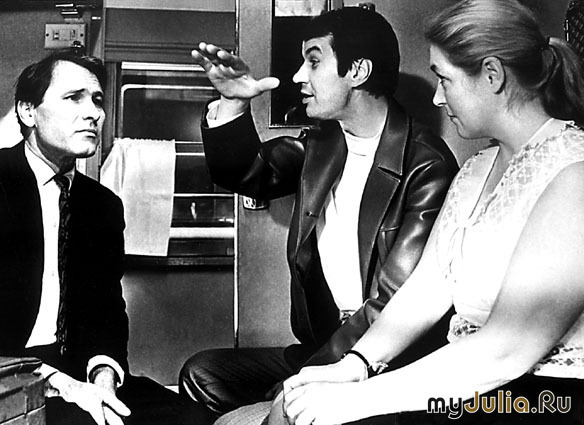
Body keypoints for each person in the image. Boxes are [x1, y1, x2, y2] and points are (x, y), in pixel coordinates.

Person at [266, 0, 584, 424]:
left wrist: (356, 399)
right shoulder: (476, 169)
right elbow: (427, 288)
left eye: (444, 79)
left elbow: (509, 349)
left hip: (546, 401)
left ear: (492, 75)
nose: (436, 96)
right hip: (470, 390)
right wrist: (354, 365)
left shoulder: (574, 172)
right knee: (289, 410)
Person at [179, 6, 459, 424]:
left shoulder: (426, 164)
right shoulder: (323, 144)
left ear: (358, 71)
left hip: (384, 357)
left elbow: (394, 301)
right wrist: (232, 103)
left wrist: (307, 380)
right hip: (321, 344)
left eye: (313, 61)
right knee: (203, 374)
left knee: (279, 406)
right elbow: (248, 173)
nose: (298, 76)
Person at [0, 48, 214, 425]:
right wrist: (58, 383)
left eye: (97, 100)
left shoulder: (102, 205)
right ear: (28, 111)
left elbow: (107, 311)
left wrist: (104, 377)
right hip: (10, 373)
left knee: (190, 419)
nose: (94, 113)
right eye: (73, 98)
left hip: (77, 369)